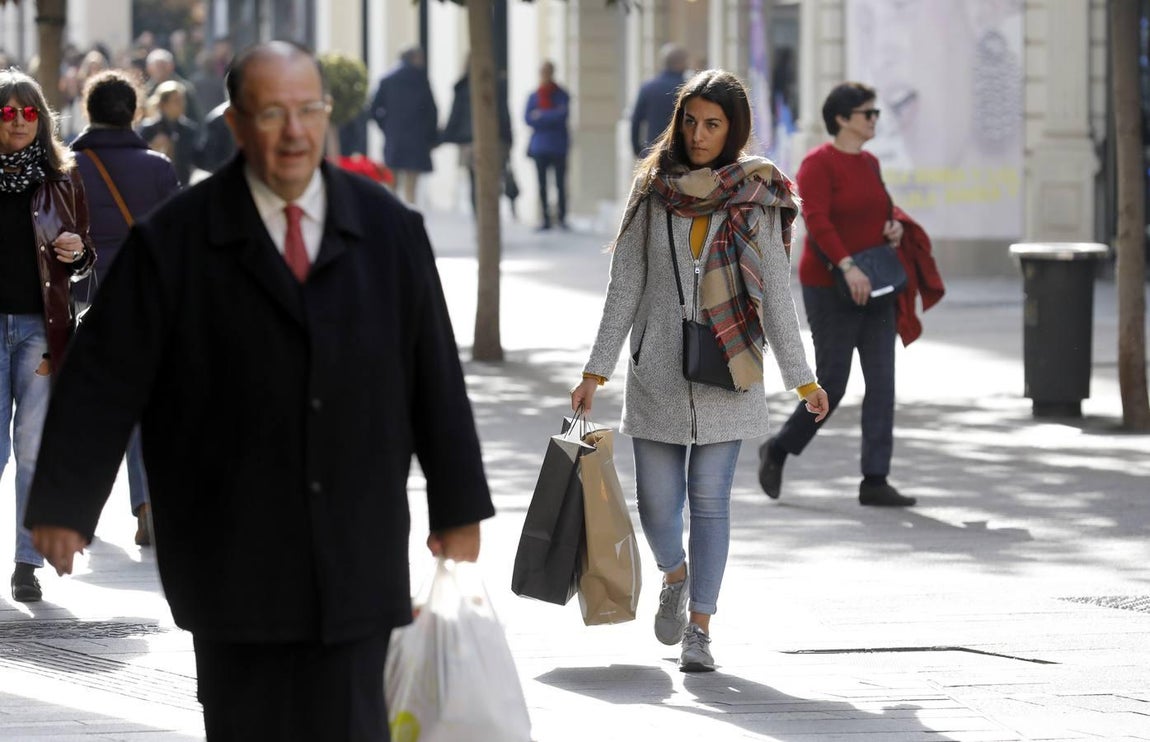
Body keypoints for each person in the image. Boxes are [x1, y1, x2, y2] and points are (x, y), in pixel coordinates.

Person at [25, 41, 494, 741]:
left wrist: (457, 506)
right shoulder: (176, 240)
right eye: (272, 113)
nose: (294, 131)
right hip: (230, 559)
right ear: (237, 124)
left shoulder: (389, 231)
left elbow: (434, 376)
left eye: (308, 110)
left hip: (355, 552)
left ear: (327, 116)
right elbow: (106, 375)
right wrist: (64, 503)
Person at [571, 69, 829, 672]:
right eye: (690, 121)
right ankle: (674, 574)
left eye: (712, 124)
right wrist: (595, 371)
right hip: (657, 372)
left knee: (710, 503)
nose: (699, 134)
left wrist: (803, 378)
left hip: (730, 371)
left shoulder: (756, 195)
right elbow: (624, 285)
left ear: (733, 129)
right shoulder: (653, 190)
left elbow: (776, 295)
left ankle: (701, 629)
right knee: (657, 505)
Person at [757, 81, 916, 507]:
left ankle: (875, 479)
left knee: (882, 382)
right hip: (830, 287)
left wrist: (892, 226)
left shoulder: (870, 163)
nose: (875, 120)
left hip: (875, 287)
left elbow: (880, 209)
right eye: (868, 113)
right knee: (833, 383)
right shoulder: (817, 164)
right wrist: (847, 266)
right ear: (843, 119)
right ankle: (778, 449)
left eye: (875, 113)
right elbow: (818, 220)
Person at [70, 69, 180, 547]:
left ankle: (77, 511)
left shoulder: (68, 166)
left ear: (88, 110)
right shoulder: (158, 168)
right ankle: (148, 502)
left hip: (83, 301)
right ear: (134, 112)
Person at [0, 68, 97, 603]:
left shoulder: (63, 178)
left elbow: (84, 258)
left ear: (42, 119)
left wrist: (77, 253)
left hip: (41, 329)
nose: (18, 121)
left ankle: (25, 564)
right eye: (7, 111)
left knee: (33, 451)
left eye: (29, 111)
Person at [441, 60, 516, 217]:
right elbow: (503, 114)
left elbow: (455, 115)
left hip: (473, 141)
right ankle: (485, 216)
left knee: (477, 182)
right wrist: (508, 139)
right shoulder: (493, 84)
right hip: (485, 140)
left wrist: (445, 136)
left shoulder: (465, 86)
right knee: (488, 181)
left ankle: (481, 216)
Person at [369, 45, 438, 206]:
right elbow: (432, 111)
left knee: (392, 184)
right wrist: (431, 136)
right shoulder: (420, 80)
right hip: (416, 139)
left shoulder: (388, 80)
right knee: (411, 187)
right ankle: (409, 212)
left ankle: (393, 214)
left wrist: (386, 126)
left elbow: (373, 109)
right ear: (414, 58)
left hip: (395, 139)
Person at [524, 60, 570, 231]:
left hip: (558, 146)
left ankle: (561, 217)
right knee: (542, 185)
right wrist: (551, 115)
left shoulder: (561, 95)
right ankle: (545, 218)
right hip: (540, 147)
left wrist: (540, 115)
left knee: (560, 184)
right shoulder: (534, 96)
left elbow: (562, 116)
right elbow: (528, 118)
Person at [630, 42, 688, 158]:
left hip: (653, 152)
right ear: (680, 63)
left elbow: (636, 121)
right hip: (681, 153)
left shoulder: (648, 88)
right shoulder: (687, 88)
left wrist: (638, 150)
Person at [138, 80, 200, 186]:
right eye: (176, 101)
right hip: (156, 185)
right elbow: (138, 159)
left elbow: (196, 159)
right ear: (163, 104)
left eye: (182, 100)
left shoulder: (189, 130)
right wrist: (152, 147)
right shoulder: (149, 129)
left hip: (182, 186)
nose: (182, 105)